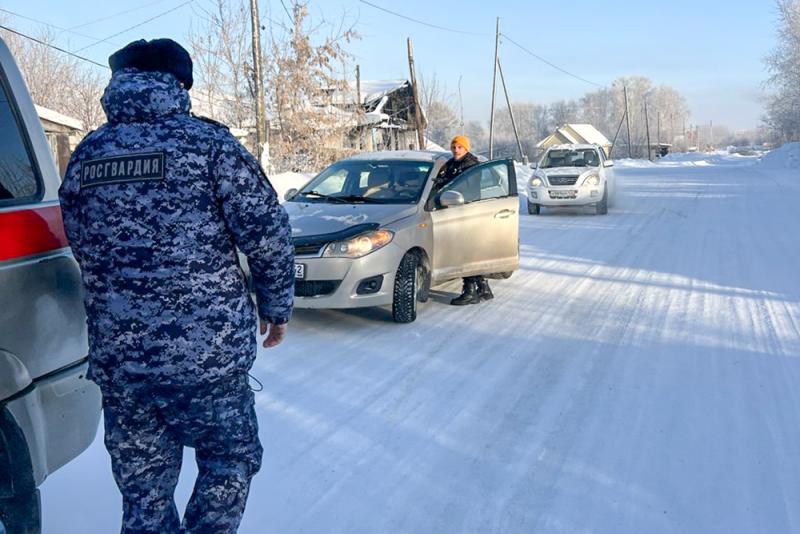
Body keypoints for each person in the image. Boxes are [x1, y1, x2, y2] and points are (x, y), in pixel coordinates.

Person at [58, 38, 294, 533]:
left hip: (123, 366)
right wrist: (276, 305)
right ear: (179, 84)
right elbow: (267, 234)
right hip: (205, 359)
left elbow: (81, 243)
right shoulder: (210, 146)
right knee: (229, 461)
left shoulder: (87, 155)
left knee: (144, 495)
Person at [433, 135, 493, 306]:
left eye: (460, 147)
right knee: (468, 250)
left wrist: (445, 182)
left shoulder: (471, 166)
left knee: (464, 252)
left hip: (468, 212)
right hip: (456, 211)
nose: (456, 150)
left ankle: (469, 291)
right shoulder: (452, 164)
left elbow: (464, 186)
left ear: (466, 149)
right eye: (453, 147)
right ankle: (483, 287)